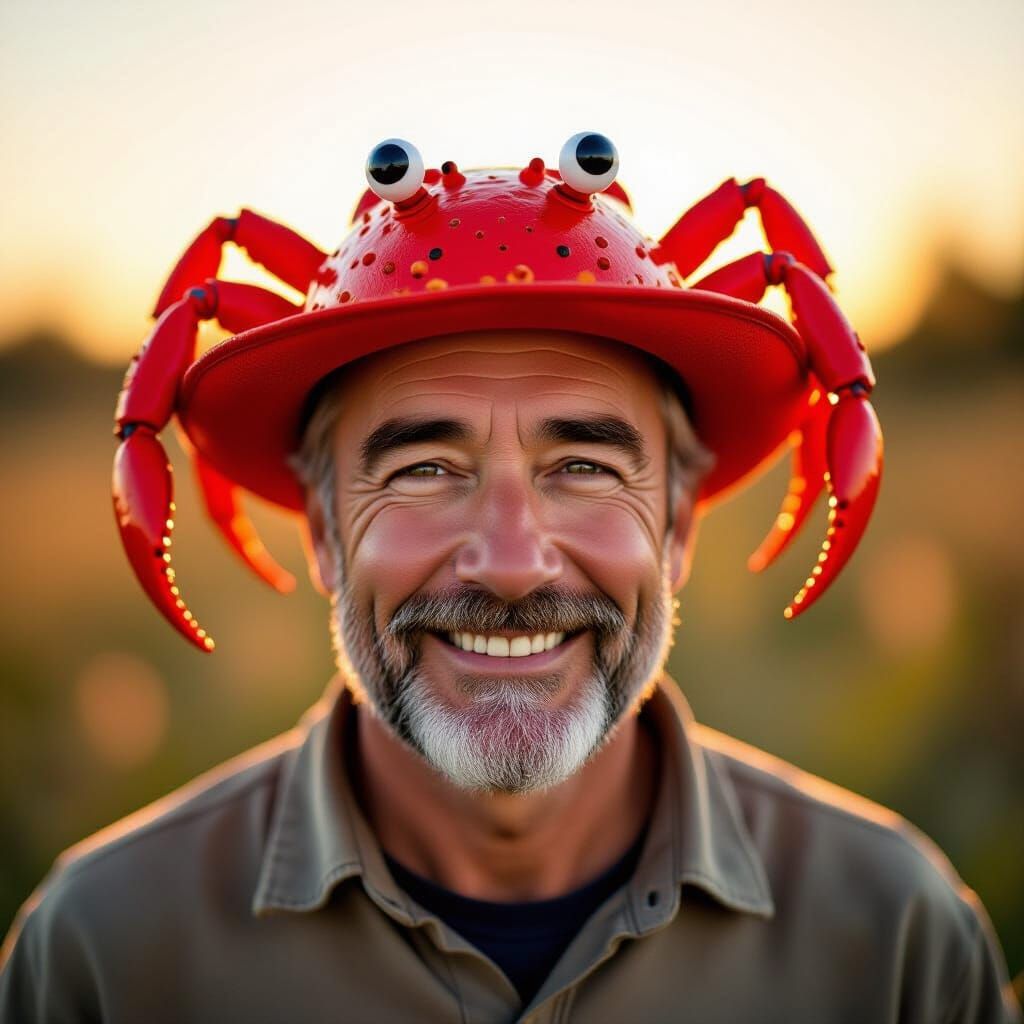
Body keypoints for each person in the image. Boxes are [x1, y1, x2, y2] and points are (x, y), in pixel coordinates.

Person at [1, 134, 1019, 1023]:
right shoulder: (98, 952)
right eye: (421, 469)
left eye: (582, 466)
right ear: (319, 526)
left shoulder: (900, 945)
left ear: (674, 525)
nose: (510, 559)